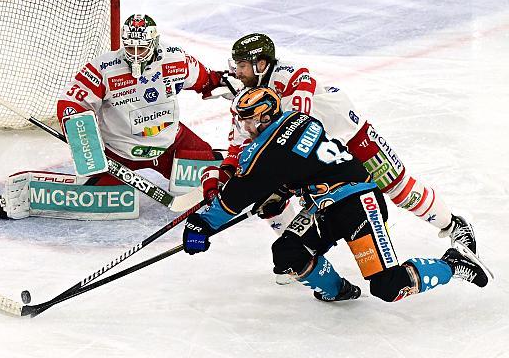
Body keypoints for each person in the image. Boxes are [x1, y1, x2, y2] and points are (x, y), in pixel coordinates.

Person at [184, 87, 492, 302]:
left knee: (388, 286)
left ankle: (454, 263)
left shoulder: (268, 149)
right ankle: (338, 290)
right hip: (325, 205)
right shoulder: (297, 120)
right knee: (288, 252)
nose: (243, 126)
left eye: (246, 119)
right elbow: (302, 166)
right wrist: (281, 189)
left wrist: (200, 224)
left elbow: (234, 199)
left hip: (359, 203)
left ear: (264, 117)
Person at [200, 33, 476, 256]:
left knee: (398, 188)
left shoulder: (289, 75)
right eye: (236, 65)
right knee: (272, 203)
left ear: (261, 64)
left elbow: (299, 119)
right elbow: (240, 139)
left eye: (242, 65)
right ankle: (302, 255)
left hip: (351, 137)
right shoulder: (248, 94)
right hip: (320, 159)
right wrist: (228, 170)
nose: (237, 71)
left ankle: (453, 225)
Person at [56, 14, 225, 186]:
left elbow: (205, 79)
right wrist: (84, 140)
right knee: (96, 193)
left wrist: (225, 83)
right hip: (119, 151)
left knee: (211, 173)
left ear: (154, 42)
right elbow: (71, 103)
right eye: (130, 48)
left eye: (142, 48)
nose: (135, 55)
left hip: (168, 143)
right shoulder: (104, 68)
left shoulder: (176, 60)